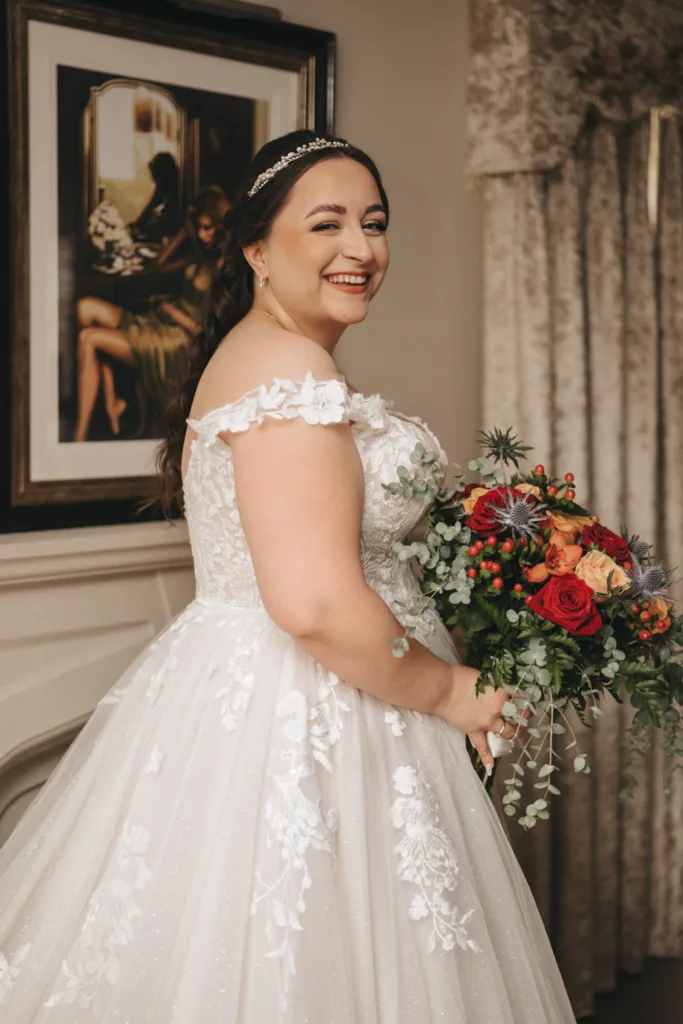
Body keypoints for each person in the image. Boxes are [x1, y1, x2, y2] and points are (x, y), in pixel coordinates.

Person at [0, 131, 576, 1022]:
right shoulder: (285, 368)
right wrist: (453, 691)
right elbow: (309, 602)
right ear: (259, 250)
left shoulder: (269, 356)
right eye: (328, 224)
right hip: (310, 708)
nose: (361, 249)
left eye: (374, 223)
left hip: (303, 690)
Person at [74, 186, 230, 442]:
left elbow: (205, 331)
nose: (203, 235)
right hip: (161, 321)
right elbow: (158, 266)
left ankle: (79, 436)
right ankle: (111, 399)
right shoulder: (200, 255)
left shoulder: (224, 267)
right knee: (86, 307)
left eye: (209, 227)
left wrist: (170, 310)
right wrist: (184, 233)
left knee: (88, 339)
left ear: (222, 226)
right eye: (199, 227)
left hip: (177, 338)